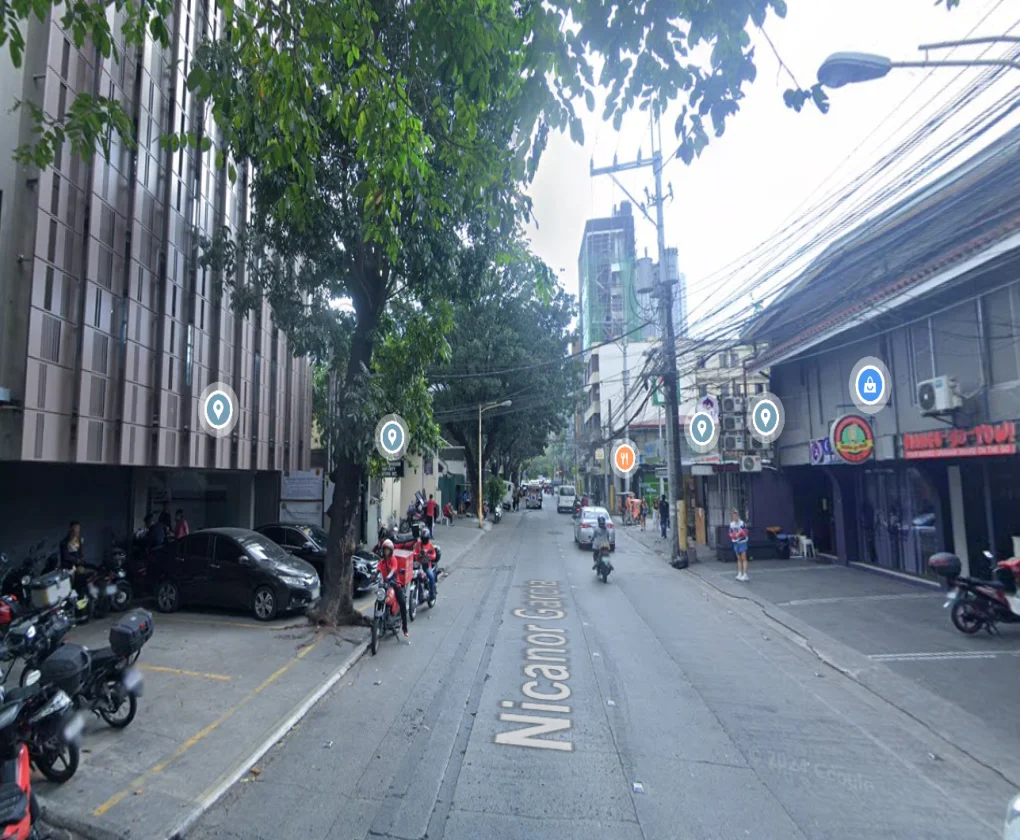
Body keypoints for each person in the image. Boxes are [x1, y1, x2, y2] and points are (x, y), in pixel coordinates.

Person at [376, 539, 409, 638]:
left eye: (388, 550)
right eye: (385, 549)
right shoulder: (382, 562)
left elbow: (393, 569)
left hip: (395, 584)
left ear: (391, 551)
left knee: (402, 602)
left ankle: (405, 628)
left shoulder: (393, 559)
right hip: (384, 585)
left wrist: (388, 577)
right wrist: (374, 575)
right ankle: (377, 623)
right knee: (378, 600)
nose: (386, 551)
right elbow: (378, 570)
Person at [413, 526, 437, 605]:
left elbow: (434, 555)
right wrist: (418, 555)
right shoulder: (418, 544)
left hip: (426, 565)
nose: (424, 540)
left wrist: (429, 556)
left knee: (431, 576)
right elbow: (414, 553)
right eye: (423, 538)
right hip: (418, 565)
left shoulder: (430, 545)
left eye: (425, 538)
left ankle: (432, 594)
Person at [730, 508, 749, 581]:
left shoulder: (742, 523)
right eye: (733, 516)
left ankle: (745, 574)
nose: (735, 517)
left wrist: (740, 533)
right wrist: (732, 535)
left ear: (738, 516)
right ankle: (740, 573)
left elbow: (745, 532)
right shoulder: (731, 524)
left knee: (743, 558)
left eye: (736, 515)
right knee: (738, 559)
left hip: (742, 542)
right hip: (735, 542)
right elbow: (730, 532)